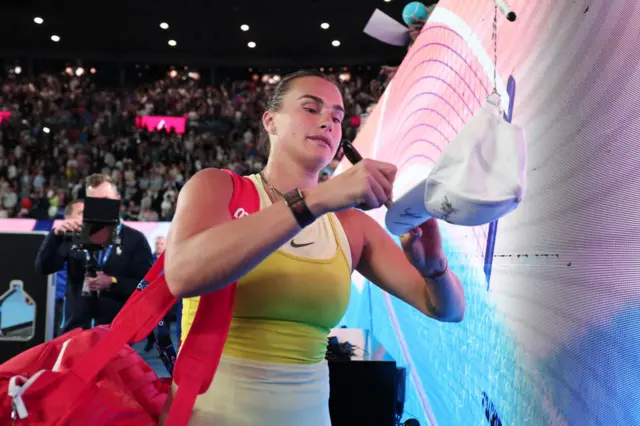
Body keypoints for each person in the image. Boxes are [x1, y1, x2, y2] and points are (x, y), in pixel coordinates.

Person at [161, 70, 466, 426]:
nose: (328, 122)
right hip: (205, 415)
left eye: (337, 117)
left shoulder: (351, 227)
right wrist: (317, 199)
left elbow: (448, 309)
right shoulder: (218, 188)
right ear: (270, 121)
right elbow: (182, 275)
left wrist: (434, 268)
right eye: (311, 108)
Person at [35, 174, 154, 332]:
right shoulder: (73, 234)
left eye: (105, 200)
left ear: (117, 200)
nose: (100, 206)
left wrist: (112, 282)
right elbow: (43, 268)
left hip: (116, 333)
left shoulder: (135, 239)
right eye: (94, 201)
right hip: (75, 331)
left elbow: (146, 286)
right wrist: (54, 237)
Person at [52, 200, 84, 336]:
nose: (85, 217)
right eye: (81, 213)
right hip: (59, 302)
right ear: (67, 217)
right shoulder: (56, 240)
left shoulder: (94, 243)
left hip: (79, 302)